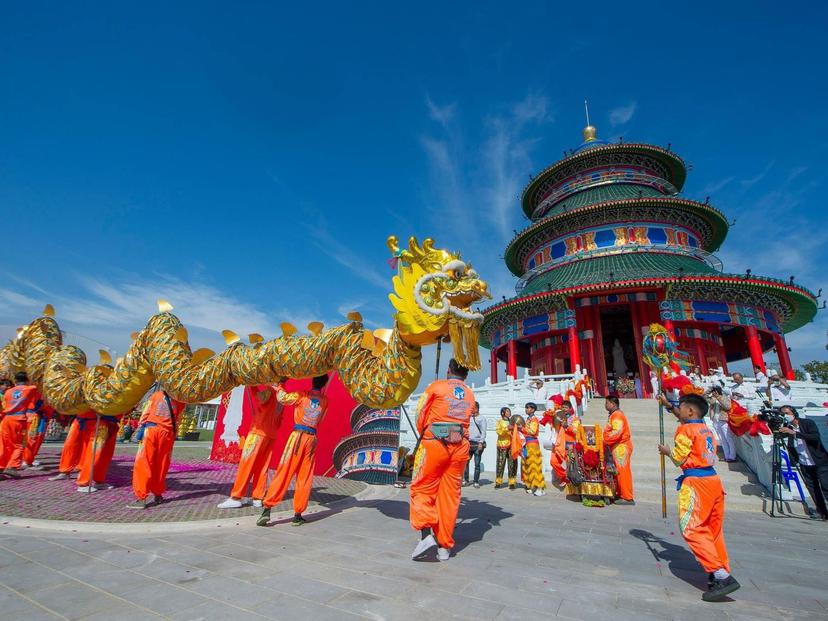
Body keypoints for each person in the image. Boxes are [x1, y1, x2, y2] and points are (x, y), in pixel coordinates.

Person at [658, 393, 740, 602]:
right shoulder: (706, 428)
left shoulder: (685, 430)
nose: (680, 411)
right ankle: (718, 569)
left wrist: (667, 451)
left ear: (690, 411)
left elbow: (678, 457)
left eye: (682, 408)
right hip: (713, 481)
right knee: (713, 531)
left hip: (696, 484)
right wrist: (669, 406)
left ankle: (721, 575)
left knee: (692, 528)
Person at [409, 359, 475, 562]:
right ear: (466, 374)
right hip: (460, 444)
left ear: (449, 370)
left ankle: (426, 534)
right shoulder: (470, 394)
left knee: (421, 489)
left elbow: (420, 413)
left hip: (436, 442)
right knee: (450, 497)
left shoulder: (436, 386)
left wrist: (423, 432)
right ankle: (444, 547)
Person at [257, 375, 329, 527]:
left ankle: (267, 509)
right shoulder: (325, 401)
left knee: (284, 471)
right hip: (312, 438)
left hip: (297, 437)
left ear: (312, 381)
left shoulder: (302, 395)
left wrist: (280, 385)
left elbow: (283, 398)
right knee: (305, 475)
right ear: (325, 384)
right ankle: (298, 514)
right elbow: (321, 420)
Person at [218, 385, 282, 509]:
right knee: (262, 466)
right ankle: (257, 497)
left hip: (258, 432)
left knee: (246, 464)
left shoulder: (271, 390)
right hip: (271, 434)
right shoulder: (282, 395)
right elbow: (280, 419)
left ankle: (236, 497)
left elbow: (261, 399)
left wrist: (252, 387)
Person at [127, 389, 186, 509]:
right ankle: (158, 494)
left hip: (152, 431)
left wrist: (140, 428)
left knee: (144, 462)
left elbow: (145, 414)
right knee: (162, 464)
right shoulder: (181, 399)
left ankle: (141, 497)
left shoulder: (156, 395)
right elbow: (178, 418)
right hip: (168, 434)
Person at [779, 405, 828, 521]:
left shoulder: (807, 423)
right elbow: (789, 445)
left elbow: (815, 437)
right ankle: (823, 512)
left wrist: (795, 433)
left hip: (819, 461)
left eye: (787, 413)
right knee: (813, 489)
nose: (785, 416)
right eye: (783, 414)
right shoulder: (787, 427)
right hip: (804, 462)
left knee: (826, 486)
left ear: (794, 413)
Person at [0, 372, 42, 475]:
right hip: (19, 420)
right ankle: (12, 467)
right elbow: (41, 386)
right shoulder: (30, 389)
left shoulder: (8, 391)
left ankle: (1, 466)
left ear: (15, 380)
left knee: (4, 444)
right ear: (27, 380)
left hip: (6, 420)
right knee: (19, 445)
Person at [76, 413, 121, 492]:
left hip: (109, 421)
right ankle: (83, 482)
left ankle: (99, 480)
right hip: (96, 420)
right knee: (94, 452)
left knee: (105, 454)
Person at [603, 396, 634, 505]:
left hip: (621, 447)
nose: (605, 405)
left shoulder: (617, 415)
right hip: (617, 446)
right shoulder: (614, 415)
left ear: (613, 403)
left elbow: (617, 432)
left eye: (606, 403)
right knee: (618, 471)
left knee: (622, 472)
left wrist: (605, 439)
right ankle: (621, 494)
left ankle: (627, 497)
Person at [48, 411, 96, 481]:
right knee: (69, 445)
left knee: (86, 446)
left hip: (94, 419)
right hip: (79, 418)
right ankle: (65, 471)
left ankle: (81, 470)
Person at [520, 402, 546, 496]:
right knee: (527, 465)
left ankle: (540, 487)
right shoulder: (528, 419)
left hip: (532, 444)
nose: (526, 409)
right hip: (526, 443)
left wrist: (522, 428)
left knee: (535, 466)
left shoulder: (534, 420)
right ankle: (530, 485)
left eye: (528, 408)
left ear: (533, 410)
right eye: (526, 408)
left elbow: (533, 431)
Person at [550, 401, 579, 483]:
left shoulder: (575, 419)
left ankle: (571, 483)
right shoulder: (558, 417)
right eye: (563, 407)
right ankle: (564, 476)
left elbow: (576, 431)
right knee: (553, 462)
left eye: (566, 407)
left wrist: (567, 426)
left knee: (571, 465)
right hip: (559, 444)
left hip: (569, 445)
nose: (564, 409)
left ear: (570, 409)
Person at [707, 387, 737, 462]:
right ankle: (727, 456)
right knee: (722, 439)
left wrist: (718, 397)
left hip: (723, 420)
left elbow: (728, 406)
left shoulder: (724, 397)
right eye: (713, 392)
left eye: (715, 392)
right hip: (715, 420)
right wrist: (709, 390)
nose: (714, 393)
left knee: (728, 438)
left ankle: (732, 457)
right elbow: (704, 396)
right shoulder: (713, 399)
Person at [463, 401, 486, 488]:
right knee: (466, 462)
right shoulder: (469, 418)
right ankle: (466, 480)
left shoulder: (482, 418)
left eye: (472, 408)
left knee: (477, 463)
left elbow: (483, 432)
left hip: (477, 443)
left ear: (476, 408)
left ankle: (476, 481)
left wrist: (481, 442)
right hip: (469, 442)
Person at [494, 407, 517, 489]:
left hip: (512, 445)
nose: (509, 412)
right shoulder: (499, 422)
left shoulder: (513, 421)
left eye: (509, 411)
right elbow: (499, 432)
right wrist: (507, 428)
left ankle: (512, 482)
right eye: (507, 411)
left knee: (512, 464)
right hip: (502, 444)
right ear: (503, 413)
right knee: (500, 464)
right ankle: (498, 481)